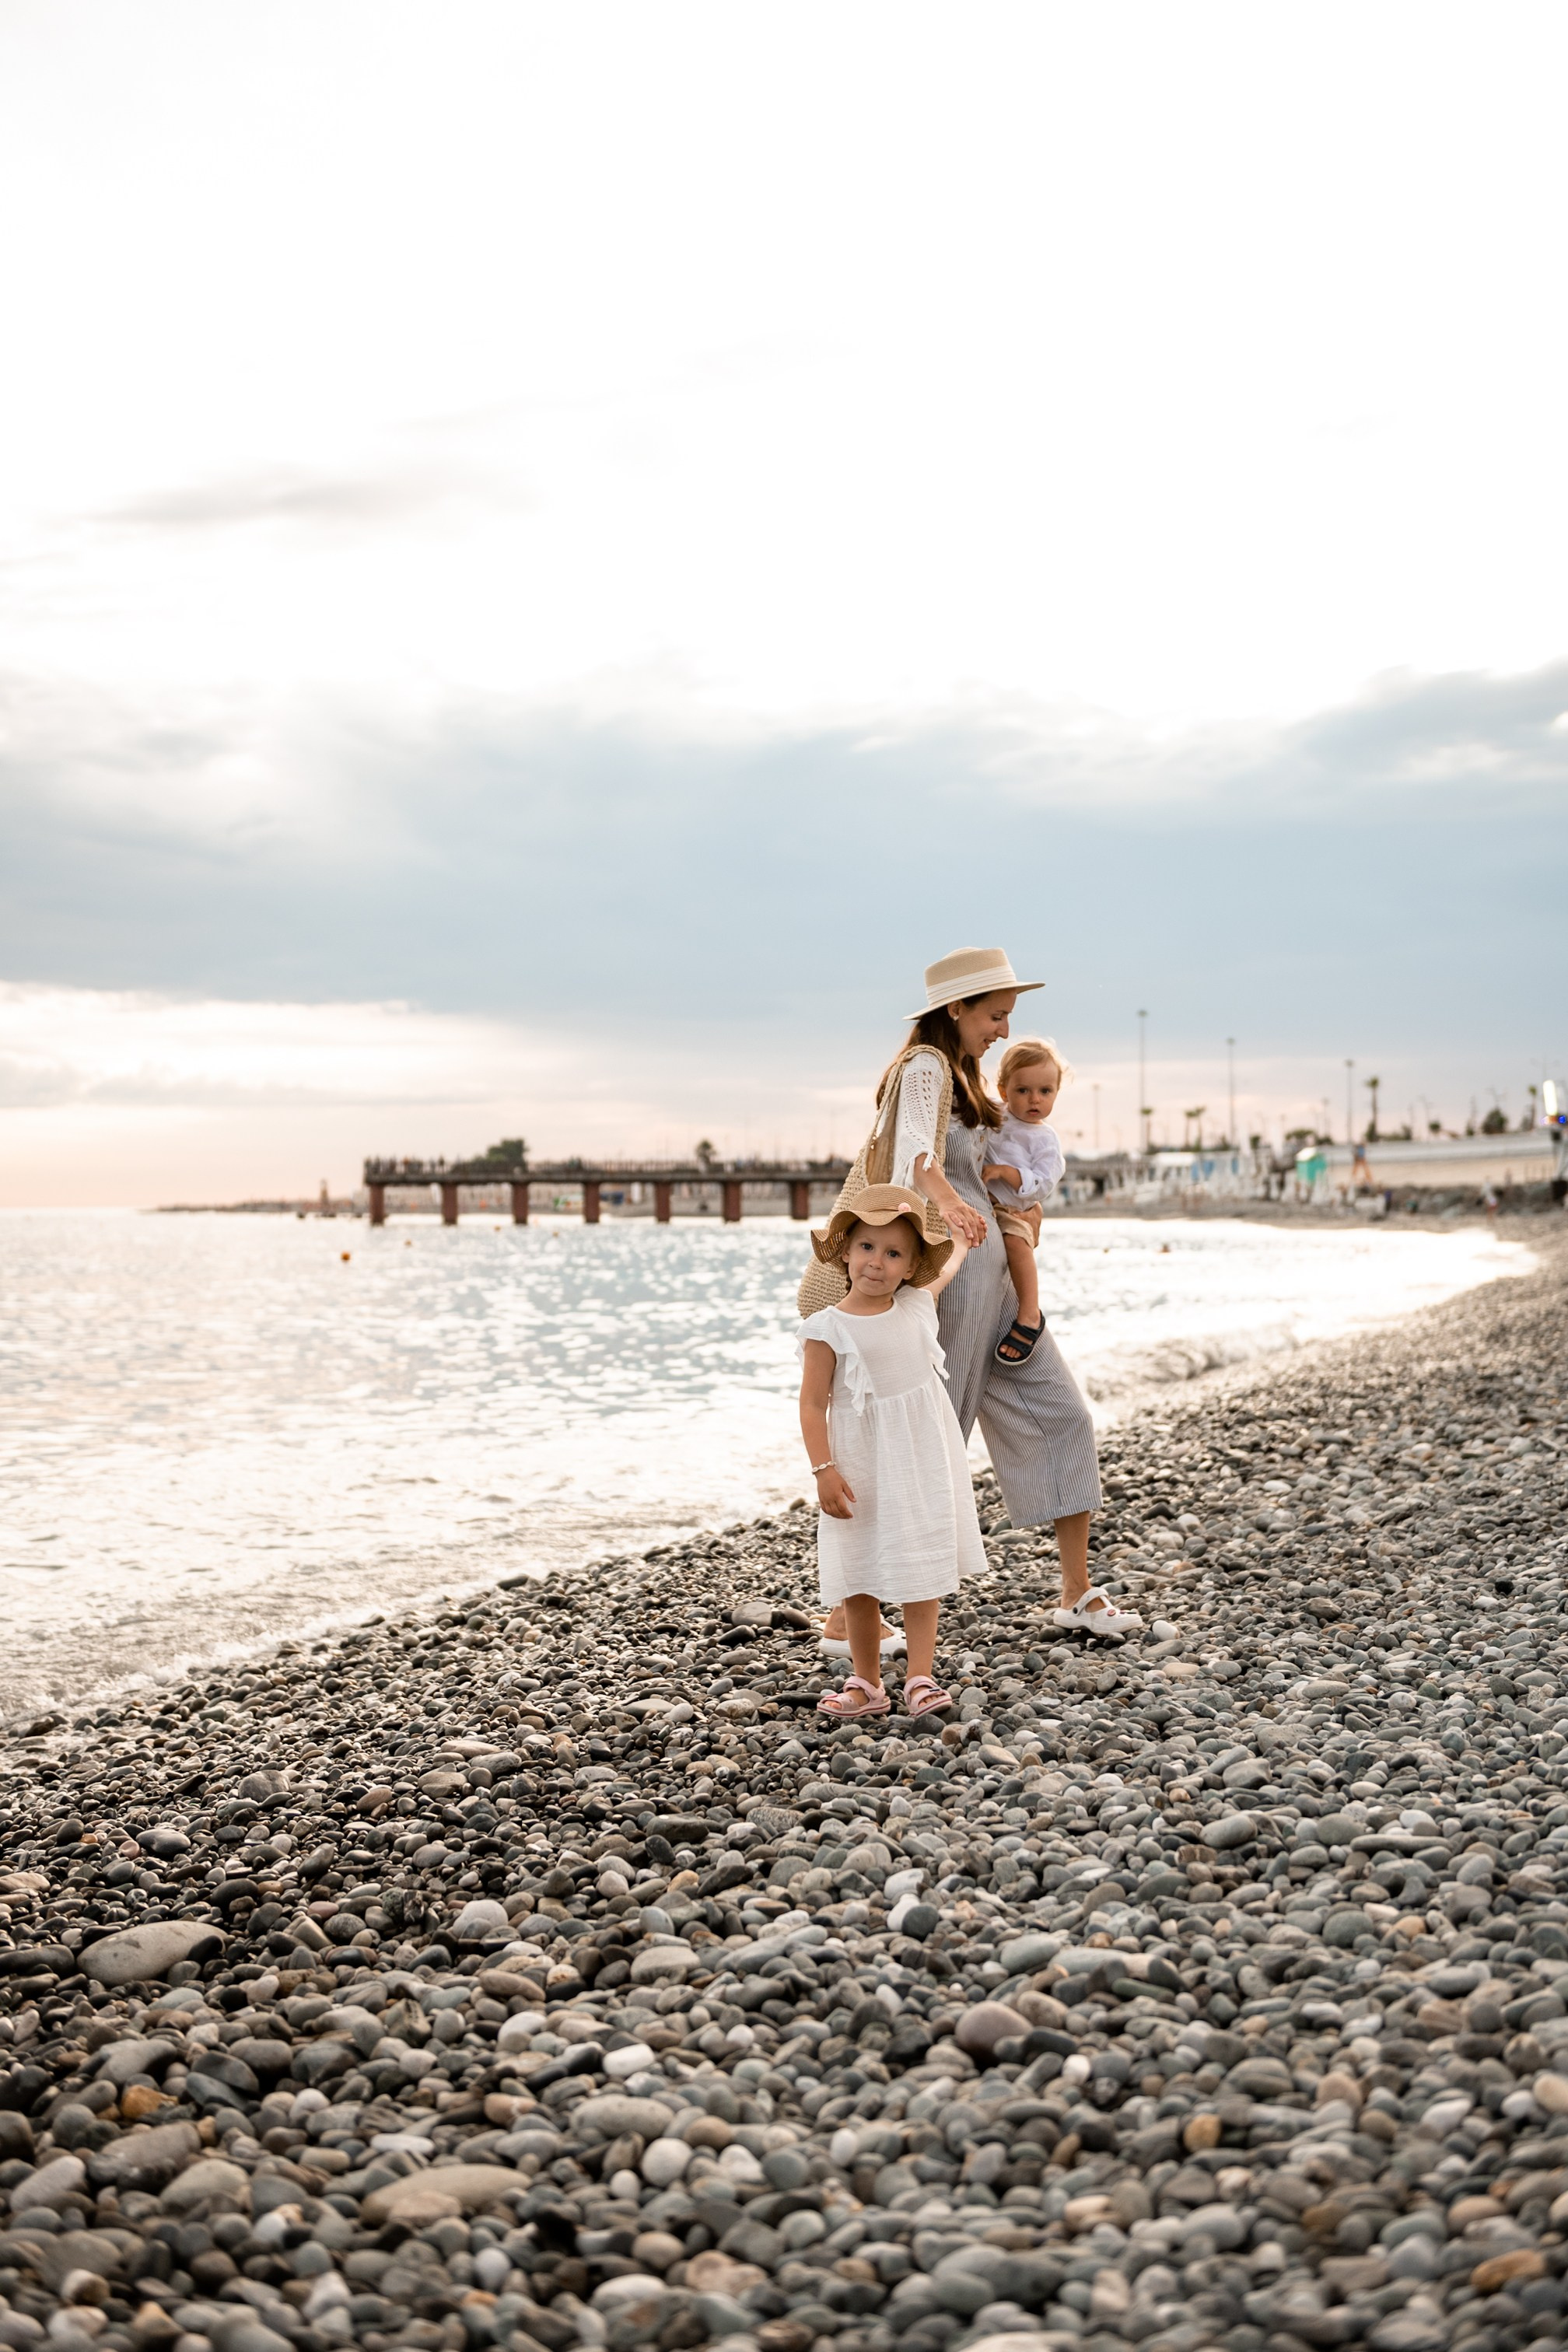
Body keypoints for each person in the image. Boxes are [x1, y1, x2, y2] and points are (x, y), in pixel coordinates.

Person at [809, 946, 1141, 1643]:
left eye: (1006, 1017)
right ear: (955, 1008)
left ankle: (1076, 1592)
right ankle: (848, 1618)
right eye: (995, 1015)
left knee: (1064, 1417)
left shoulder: (966, 1078)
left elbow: (996, 1169)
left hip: (997, 1288)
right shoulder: (926, 1067)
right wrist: (954, 1209)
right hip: (952, 1289)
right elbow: (912, 1161)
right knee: (925, 1443)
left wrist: (1018, 1210)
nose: (1001, 1030)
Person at [799, 1186, 982, 1718]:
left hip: (920, 1458)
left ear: (909, 1268)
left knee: (920, 1563)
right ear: (846, 1253)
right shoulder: (827, 1328)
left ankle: (921, 1676)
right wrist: (823, 1470)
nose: (877, 1262)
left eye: (894, 1253)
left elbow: (945, 1272)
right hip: (859, 1465)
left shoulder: (917, 1305)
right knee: (859, 1571)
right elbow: (812, 1405)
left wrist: (964, 1243)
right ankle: (867, 1681)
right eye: (867, 1248)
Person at [982, 1037, 1067, 1366]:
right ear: (1004, 1091)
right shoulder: (996, 1114)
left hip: (1015, 1208)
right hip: (985, 1203)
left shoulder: (1044, 1138)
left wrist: (1007, 1172)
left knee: (1017, 1243)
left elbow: (1043, 1183)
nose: (1035, 1099)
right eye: (1023, 1091)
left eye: (1045, 1092)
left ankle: (1029, 1313)